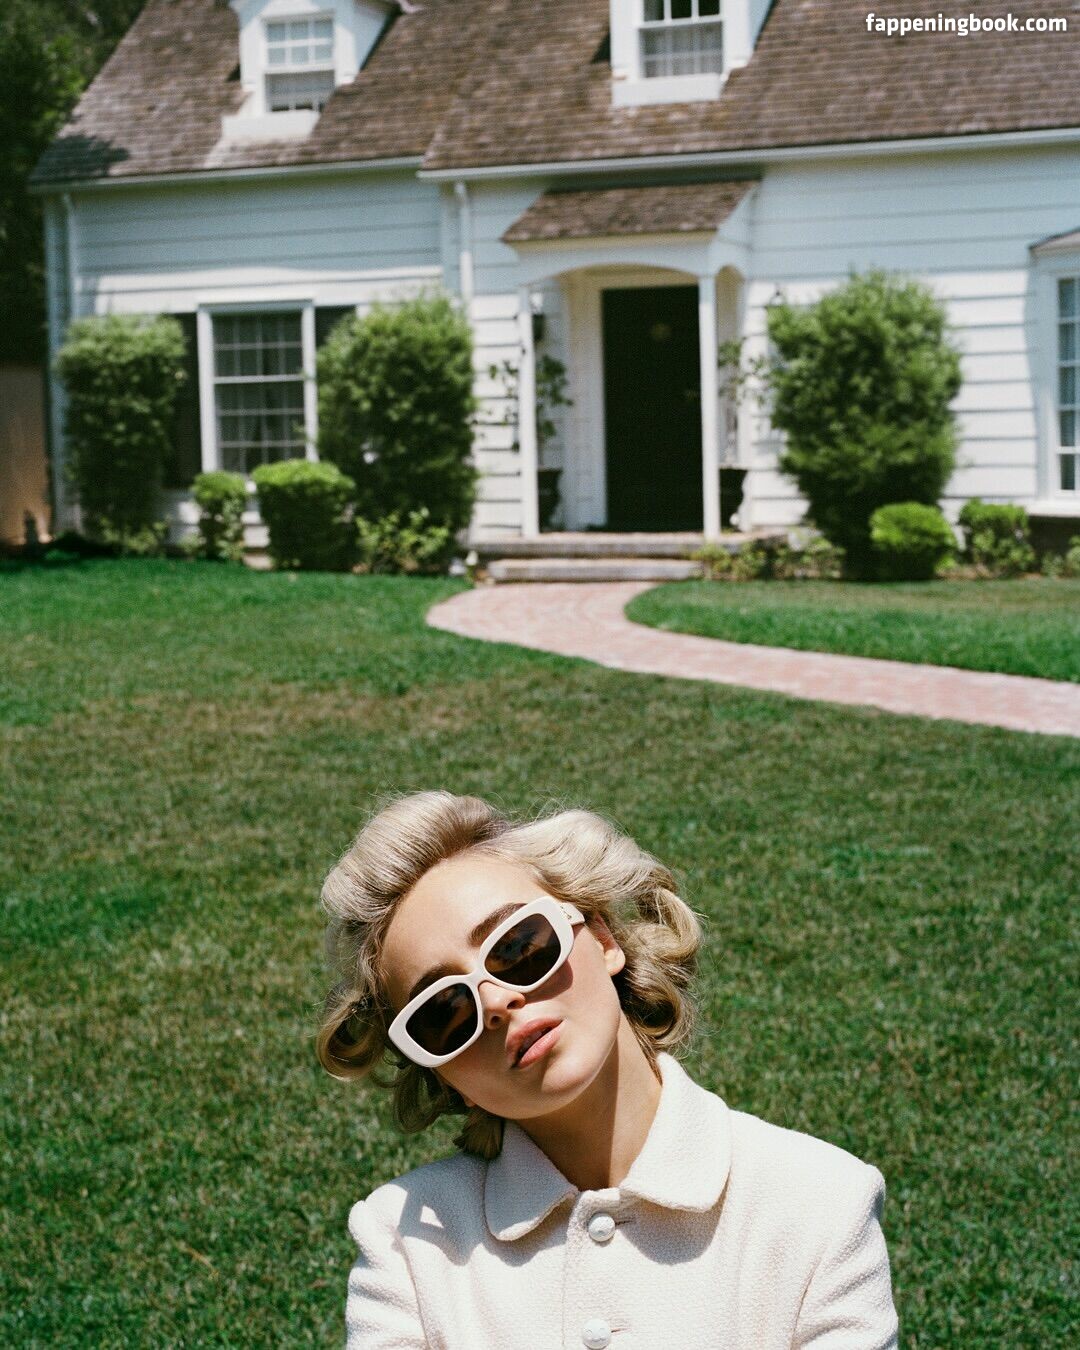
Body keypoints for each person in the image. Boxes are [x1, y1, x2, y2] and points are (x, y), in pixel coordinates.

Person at [316, 790, 898, 1349]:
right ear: (443, 1074)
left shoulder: (821, 1205)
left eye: (519, 946)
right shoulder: (406, 1243)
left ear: (601, 937)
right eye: (443, 1012)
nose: (496, 1002)